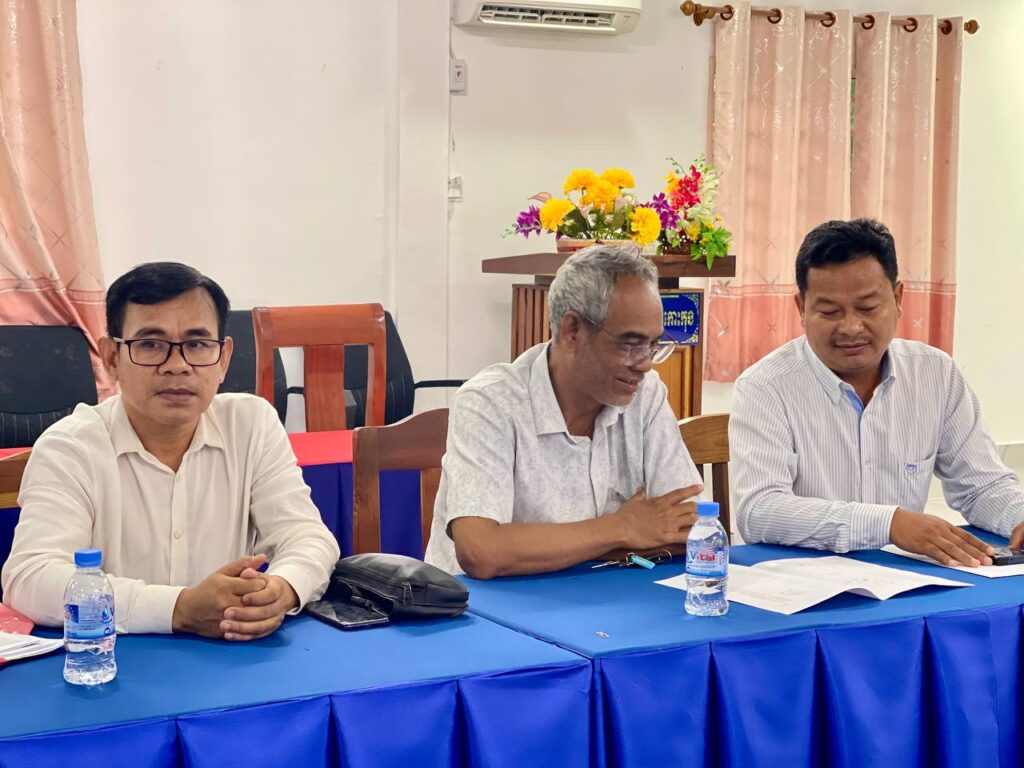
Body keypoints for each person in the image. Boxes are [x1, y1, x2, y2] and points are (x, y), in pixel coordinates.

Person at [1, 262, 339, 640]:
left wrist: (281, 589)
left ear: (223, 359)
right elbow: (31, 578)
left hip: (229, 657)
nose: (177, 366)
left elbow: (307, 537)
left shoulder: (251, 425)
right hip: (114, 662)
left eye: (197, 344)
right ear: (112, 358)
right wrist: (178, 608)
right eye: (150, 344)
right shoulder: (70, 447)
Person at [731, 218, 1024, 566]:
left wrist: (1018, 516)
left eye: (868, 308)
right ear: (801, 309)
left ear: (898, 298)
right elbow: (760, 510)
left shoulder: (935, 374)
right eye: (829, 311)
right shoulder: (765, 387)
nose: (851, 327)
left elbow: (982, 486)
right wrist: (887, 523)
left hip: (909, 580)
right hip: (802, 582)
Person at [424, 244, 703, 578]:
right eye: (630, 344)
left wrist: (576, 545)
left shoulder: (646, 394)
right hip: (486, 604)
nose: (644, 364)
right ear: (572, 331)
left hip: (602, 595)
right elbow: (481, 551)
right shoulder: (490, 402)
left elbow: (691, 528)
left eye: (654, 345)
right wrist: (623, 528)